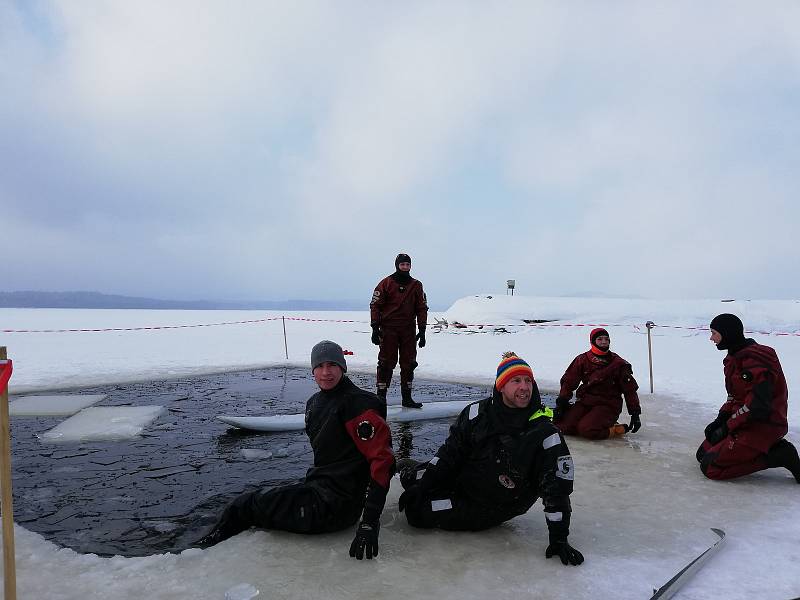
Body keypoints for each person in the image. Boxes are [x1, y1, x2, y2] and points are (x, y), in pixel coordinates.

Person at [195, 340, 396, 560]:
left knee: (245, 506)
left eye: (332, 365)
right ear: (312, 370)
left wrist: (369, 522)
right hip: (319, 491)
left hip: (332, 508)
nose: (325, 372)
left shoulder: (358, 405)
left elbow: (383, 462)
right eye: (319, 366)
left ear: (343, 367)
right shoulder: (315, 403)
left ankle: (196, 553)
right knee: (256, 498)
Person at [397, 352, 584, 566]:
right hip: (467, 478)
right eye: (516, 381)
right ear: (501, 386)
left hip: (492, 503)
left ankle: (422, 481)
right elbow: (450, 453)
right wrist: (423, 485)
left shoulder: (544, 434)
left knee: (417, 512)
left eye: (528, 381)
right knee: (414, 481)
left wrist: (559, 538)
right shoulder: (477, 413)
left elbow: (557, 490)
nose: (524, 387)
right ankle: (414, 473)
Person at [696, 313, 800, 482]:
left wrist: (727, 427)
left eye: (714, 333)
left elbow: (757, 406)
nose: (711, 338)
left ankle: (779, 455)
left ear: (727, 334)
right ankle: (763, 448)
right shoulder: (734, 358)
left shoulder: (754, 360)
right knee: (703, 454)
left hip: (763, 425)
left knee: (710, 468)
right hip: (745, 421)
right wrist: (721, 419)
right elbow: (734, 396)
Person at [553, 328, 642, 440]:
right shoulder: (582, 359)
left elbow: (630, 390)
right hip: (586, 401)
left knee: (587, 430)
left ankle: (615, 428)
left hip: (608, 404)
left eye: (606, 339)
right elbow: (569, 381)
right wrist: (562, 402)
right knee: (563, 427)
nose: (604, 342)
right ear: (592, 342)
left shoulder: (619, 364)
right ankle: (597, 421)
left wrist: (635, 413)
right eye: (600, 339)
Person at [370, 252, 428, 409]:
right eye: (402, 264)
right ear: (397, 265)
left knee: (409, 363)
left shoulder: (416, 285)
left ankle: (407, 398)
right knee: (386, 363)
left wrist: (422, 330)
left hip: (408, 330)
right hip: (389, 329)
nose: (405, 267)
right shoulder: (386, 283)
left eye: (407, 264)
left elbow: (421, 308)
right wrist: (375, 328)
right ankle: (381, 397)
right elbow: (375, 305)